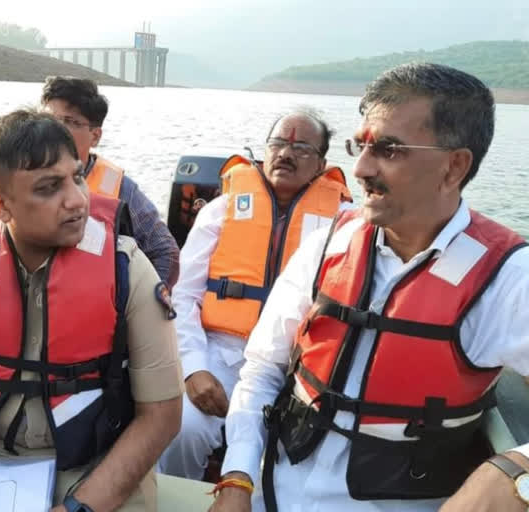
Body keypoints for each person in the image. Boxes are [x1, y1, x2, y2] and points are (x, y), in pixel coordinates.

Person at [210, 63, 529, 512]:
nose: (360, 168)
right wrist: (237, 479)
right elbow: (263, 369)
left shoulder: (509, 280)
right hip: (270, 492)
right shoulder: (326, 246)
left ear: (454, 166)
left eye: (389, 150)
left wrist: (512, 471)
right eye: (360, 146)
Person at [0, 109, 183, 512]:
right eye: (49, 188)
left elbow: (162, 416)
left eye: (77, 177)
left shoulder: (126, 267)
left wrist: (75, 508)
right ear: (0, 205)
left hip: (97, 465)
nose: (77, 200)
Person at [157, 111, 353, 480]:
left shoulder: (346, 223)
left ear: (322, 164)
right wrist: (194, 367)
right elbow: (182, 295)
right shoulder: (221, 209)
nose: (285, 153)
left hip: (301, 362)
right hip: (221, 352)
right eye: (278, 143)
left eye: (300, 147)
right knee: (183, 427)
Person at [0, 76, 180, 287]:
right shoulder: (16, 177)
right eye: (50, 118)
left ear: (95, 136)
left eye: (70, 121)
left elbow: (164, 251)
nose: (56, 129)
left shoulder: (122, 190)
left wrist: (137, 305)